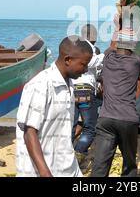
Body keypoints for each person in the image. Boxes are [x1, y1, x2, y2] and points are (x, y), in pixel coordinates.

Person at [16, 36, 93, 177]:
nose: (86, 70)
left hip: (66, 167)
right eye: (83, 64)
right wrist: (45, 172)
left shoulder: (69, 85)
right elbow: (29, 132)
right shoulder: (40, 85)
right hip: (40, 171)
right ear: (68, 60)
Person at [91, 20, 140, 177]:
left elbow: (112, 46)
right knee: (129, 164)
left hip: (106, 118)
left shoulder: (107, 58)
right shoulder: (136, 61)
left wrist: (117, 26)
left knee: (100, 164)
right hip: (128, 120)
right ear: (133, 46)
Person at [72, 24, 105, 157]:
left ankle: (65, 153)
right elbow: (93, 64)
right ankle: (79, 151)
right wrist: (105, 55)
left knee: (72, 125)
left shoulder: (74, 48)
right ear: (95, 37)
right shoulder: (91, 49)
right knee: (90, 128)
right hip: (86, 91)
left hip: (72, 91)